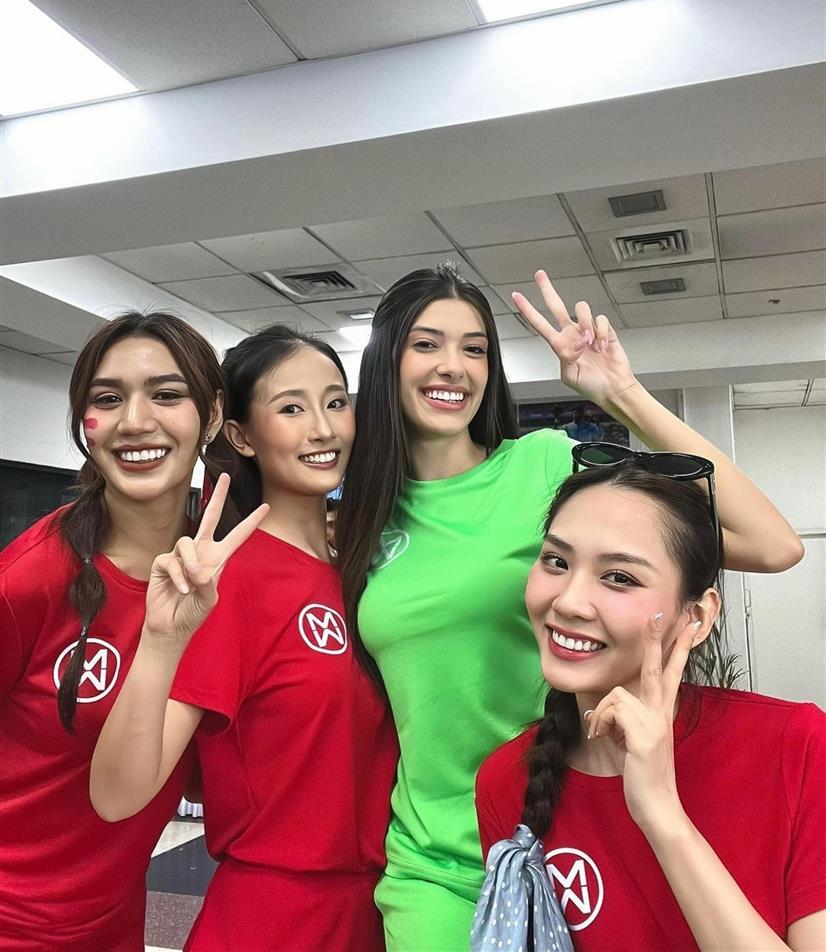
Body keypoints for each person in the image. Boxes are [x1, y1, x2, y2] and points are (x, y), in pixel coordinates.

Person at [335, 262, 804, 951]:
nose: (454, 366)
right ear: (385, 361)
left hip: (569, 833)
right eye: (426, 343)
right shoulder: (364, 518)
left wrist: (622, 393)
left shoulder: (543, 464)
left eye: (474, 348)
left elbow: (771, 544)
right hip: (435, 864)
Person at [91, 325, 398, 952]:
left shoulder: (368, 573)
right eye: (291, 408)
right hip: (275, 919)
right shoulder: (230, 580)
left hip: (378, 910)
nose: (323, 428)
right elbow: (118, 793)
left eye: (336, 402)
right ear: (241, 436)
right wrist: (160, 640)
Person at [474, 447, 825, 950]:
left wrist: (663, 815)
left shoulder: (797, 747)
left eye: (619, 577)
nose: (568, 601)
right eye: (556, 561)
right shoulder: (505, 780)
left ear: (696, 617)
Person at [0, 312, 223, 950]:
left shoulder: (217, 576)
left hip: (114, 923)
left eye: (166, 394)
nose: (134, 421)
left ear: (211, 416)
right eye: (107, 399)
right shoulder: (30, 578)